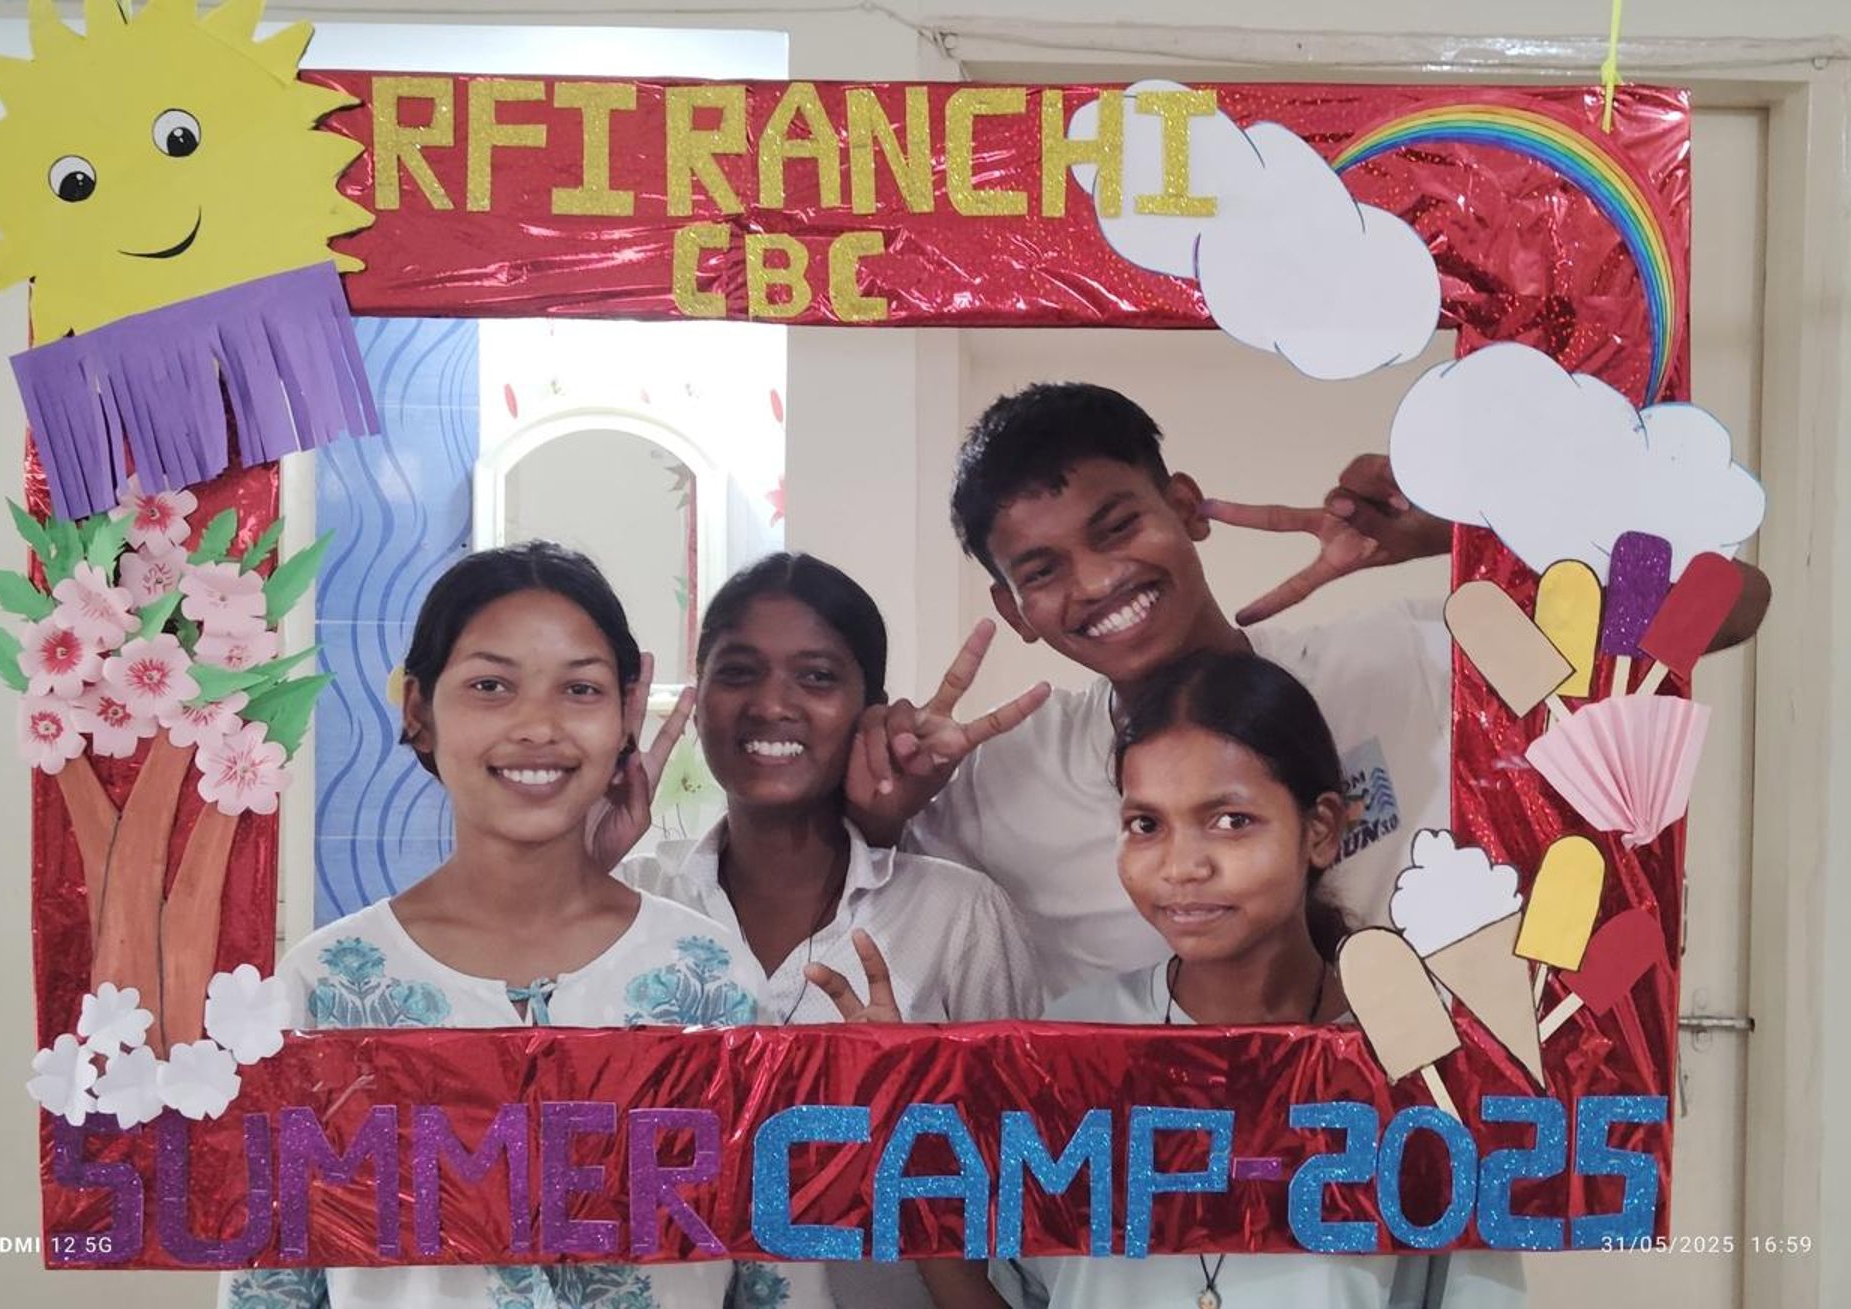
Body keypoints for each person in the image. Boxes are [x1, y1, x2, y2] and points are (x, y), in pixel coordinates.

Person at [850, 382, 1769, 998]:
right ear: (1012, 610)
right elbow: (840, 872)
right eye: (1042, 570)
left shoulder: (1398, 662)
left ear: (1186, 507)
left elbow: (1726, 603)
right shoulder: (999, 784)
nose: (1094, 583)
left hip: (1418, 1184)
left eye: (1119, 524)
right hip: (1156, 1224)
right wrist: (881, 803)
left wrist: (1475, 536)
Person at [872, 650, 1526, 1308]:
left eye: (1231, 820)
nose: (1182, 865)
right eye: (1146, 824)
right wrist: (907, 1135)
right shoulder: (1071, 1043)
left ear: (1320, 829)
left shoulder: (1422, 1062)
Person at [221, 541, 763, 1309]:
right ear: (418, 710)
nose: (537, 726)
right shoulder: (325, 987)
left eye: (580, 688)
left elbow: (775, 1277)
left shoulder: (711, 979)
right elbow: (268, 1286)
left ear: (625, 715)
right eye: (490, 685)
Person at [619, 551, 1043, 1309]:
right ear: (701, 692)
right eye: (738, 671)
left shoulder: (954, 915)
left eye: (816, 677)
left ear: (870, 711)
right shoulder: (627, 901)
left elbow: (1024, 1203)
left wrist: (908, 1122)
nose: (771, 704)